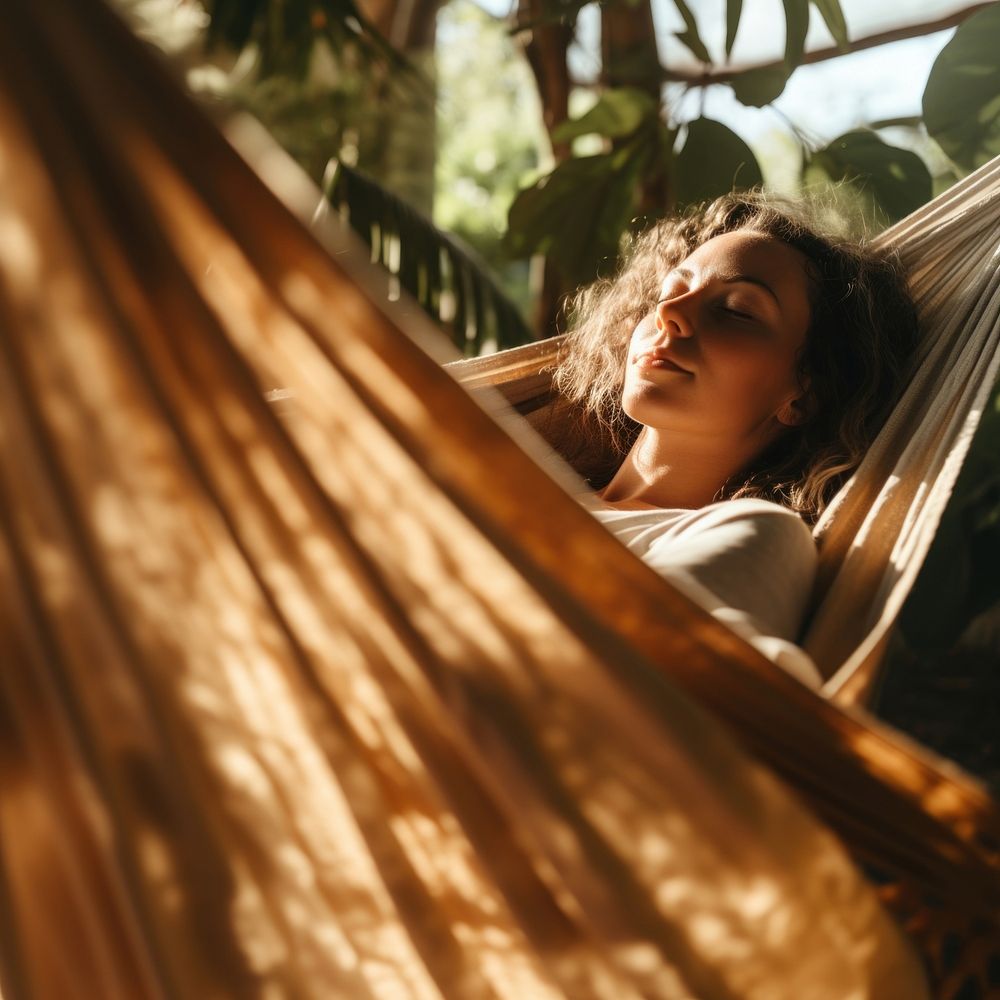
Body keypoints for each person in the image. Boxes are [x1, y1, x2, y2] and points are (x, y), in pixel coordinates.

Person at [554, 191, 919, 685]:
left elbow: (669, 692)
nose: (671, 314)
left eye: (737, 310)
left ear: (804, 394)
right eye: (668, 292)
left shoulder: (756, 533)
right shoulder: (524, 473)